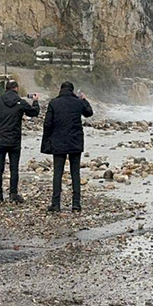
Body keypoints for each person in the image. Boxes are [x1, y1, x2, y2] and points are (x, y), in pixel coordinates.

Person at [0, 80, 40, 204]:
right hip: (14, 140)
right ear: (16, 89)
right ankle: (13, 195)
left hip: (0, 139)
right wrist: (35, 101)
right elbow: (34, 112)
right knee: (14, 168)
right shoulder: (20, 102)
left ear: (6, 89)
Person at [41, 81, 94, 212]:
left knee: (57, 173)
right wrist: (84, 99)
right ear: (72, 90)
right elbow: (89, 113)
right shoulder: (78, 102)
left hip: (58, 141)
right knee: (75, 172)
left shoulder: (54, 103)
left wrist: (47, 141)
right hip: (75, 141)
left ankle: (56, 203)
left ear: (61, 89)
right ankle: (76, 204)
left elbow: (47, 124)